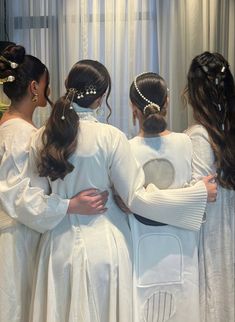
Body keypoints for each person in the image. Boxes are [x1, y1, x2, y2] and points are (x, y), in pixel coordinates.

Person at [28, 59, 217, 322]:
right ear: (101, 98)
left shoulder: (41, 136)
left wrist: (67, 205)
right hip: (105, 247)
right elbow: (137, 198)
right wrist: (197, 194)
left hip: (58, 247)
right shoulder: (111, 137)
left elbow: (31, 201)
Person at [0, 45, 108, 322]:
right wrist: (69, 205)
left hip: (25, 233)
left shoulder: (19, 131)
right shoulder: (19, 136)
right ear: (35, 87)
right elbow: (18, 197)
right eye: (46, 84)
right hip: (17, 241)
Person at [127, 72, 202, 322]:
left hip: (141, 252)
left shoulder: (126, 149)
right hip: (182, 252)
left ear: (132, 108)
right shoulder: (185, 142)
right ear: (167, 102)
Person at [184, 52, 235, 322]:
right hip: (228, 234)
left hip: (209, 236)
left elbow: (199, 198)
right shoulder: (226, 134)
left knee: (212, 300)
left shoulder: (198, 137)